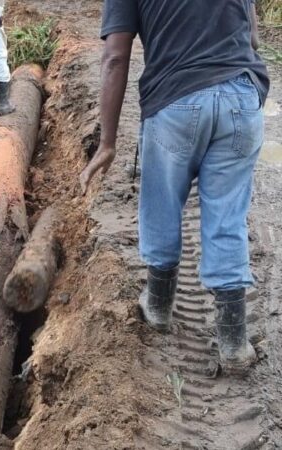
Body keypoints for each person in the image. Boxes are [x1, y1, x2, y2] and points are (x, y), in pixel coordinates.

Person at [80, 0, 269, 372]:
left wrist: (107, 142)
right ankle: (233, 343)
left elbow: (115, 58)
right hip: (242, 101)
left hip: (176, 103)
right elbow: (253, 38)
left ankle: (158, 307)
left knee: (162, 203)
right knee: (227, 217)